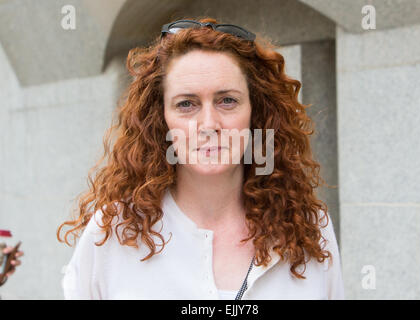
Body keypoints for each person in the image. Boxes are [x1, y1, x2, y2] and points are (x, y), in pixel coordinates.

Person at [57, 17, 344, 300]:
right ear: (160, 119)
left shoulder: (309, 228)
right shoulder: (113, 232)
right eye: (186, 104)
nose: (208, 123)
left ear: (256, 113)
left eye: (227, 100)